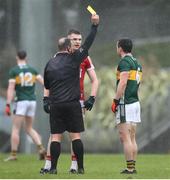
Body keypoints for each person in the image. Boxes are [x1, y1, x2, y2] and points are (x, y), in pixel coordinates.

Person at [43, 14, 99, 174]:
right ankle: (77, 167)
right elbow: (88, 44)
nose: (77, 42)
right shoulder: (76, 58)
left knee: (55, 136)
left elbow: (47, 83)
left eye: (79, 39)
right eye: (74, 39)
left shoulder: (51, 62)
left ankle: (57, 167)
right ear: (68, 43)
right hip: (73, 102)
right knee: (74, 136)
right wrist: (95, 26)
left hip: (60, 102)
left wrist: (46, 99)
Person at [4, 50, 46, 161]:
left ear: (17, 57)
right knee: (28, 128)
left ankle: (13, 155)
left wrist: (8, 103)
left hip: (21, 101)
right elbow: (44, 83)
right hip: (32, 101)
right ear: (26, 58)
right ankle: (41, 148)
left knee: (16, 128)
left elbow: (11, 88)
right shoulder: (32, 70)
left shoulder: (14, 71)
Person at [111, 39, 142, 174]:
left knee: (125, 137)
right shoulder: (136, 62)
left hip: (126, 103)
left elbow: (122, 83)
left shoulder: (124, 62)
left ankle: (129, 168)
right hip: (135, 102)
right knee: (132, 137)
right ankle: (132, 167)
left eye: (117, 46)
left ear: (120, 48)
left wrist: (116, 101)